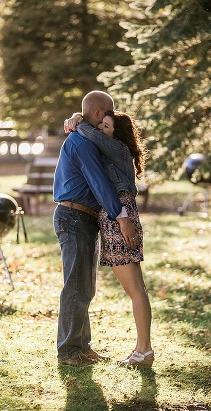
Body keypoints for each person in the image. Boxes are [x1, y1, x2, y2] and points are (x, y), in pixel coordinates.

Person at [53, 91, 138, 367]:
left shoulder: (85, 136)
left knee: (83, 286)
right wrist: (122, 217)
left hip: (82, 218)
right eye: (110, 111)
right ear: (100, 113)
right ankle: (69, 351)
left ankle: (81, 346)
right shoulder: (82, 144)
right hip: (74, 216)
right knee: (76, 286)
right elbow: (100, 183)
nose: (111, 116)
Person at [65, 110, 154, 367]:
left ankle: (144, 350)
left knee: (135, 290)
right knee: (135, 289)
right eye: (101, 125)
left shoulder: (116, 148)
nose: (101, 129)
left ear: (116, 133)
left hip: (120, 216)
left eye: (105, 126)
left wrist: (77, 120)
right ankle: (141, 349)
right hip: (116, 215)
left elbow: (89, 133)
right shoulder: (114, 151)